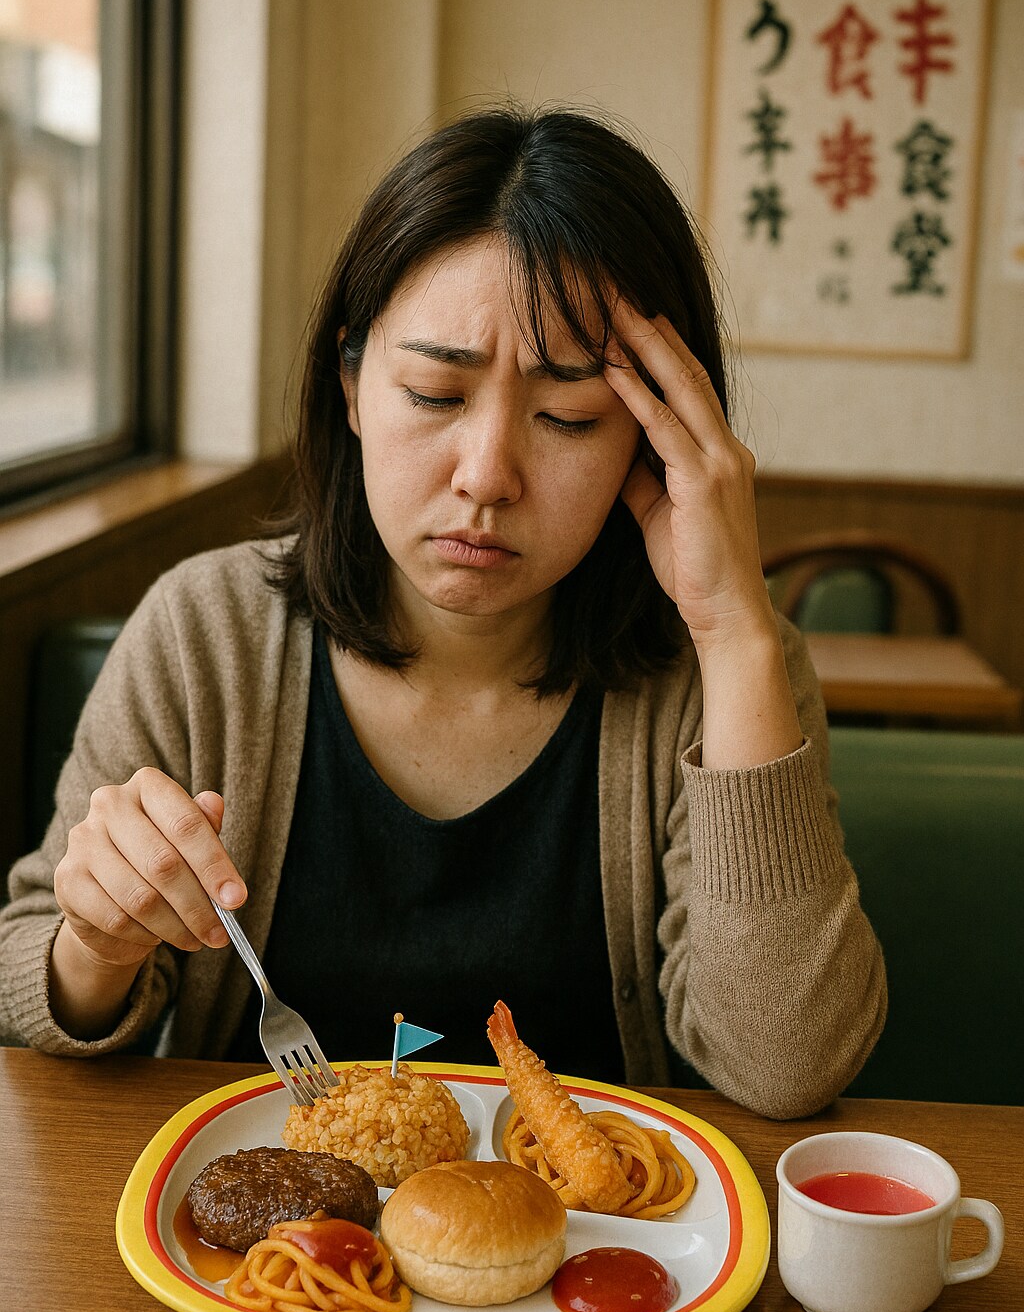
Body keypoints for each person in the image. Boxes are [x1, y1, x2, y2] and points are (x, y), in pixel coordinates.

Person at [0, 106, 885, 1116]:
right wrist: (99, 941)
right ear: (350, 380)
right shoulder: (208, 635)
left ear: (655, 439)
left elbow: (789, 1065)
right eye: (432, 393)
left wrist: (731, 633)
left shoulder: (723, 673)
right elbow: (33, 989)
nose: (487, 477)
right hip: (274, 1253)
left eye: (567, 417)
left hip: (591, 1250)